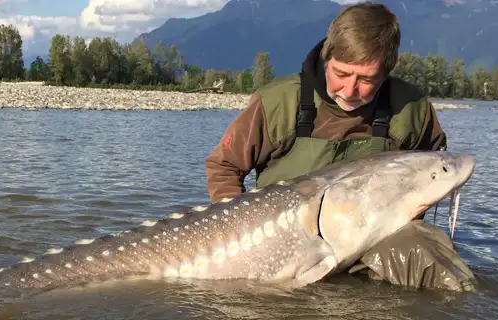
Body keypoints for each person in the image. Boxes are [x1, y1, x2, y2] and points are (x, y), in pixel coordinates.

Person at [204, 2, 476, 291]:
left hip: (375, 238)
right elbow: (224, 166)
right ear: (326, 57)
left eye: (366, 79)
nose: (349, 90)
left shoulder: (410, 109)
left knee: (436, 265)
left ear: (386, 72)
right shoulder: (279, 102)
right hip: (285, 239)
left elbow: (438, 166)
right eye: (342, 74)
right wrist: (241, 230)